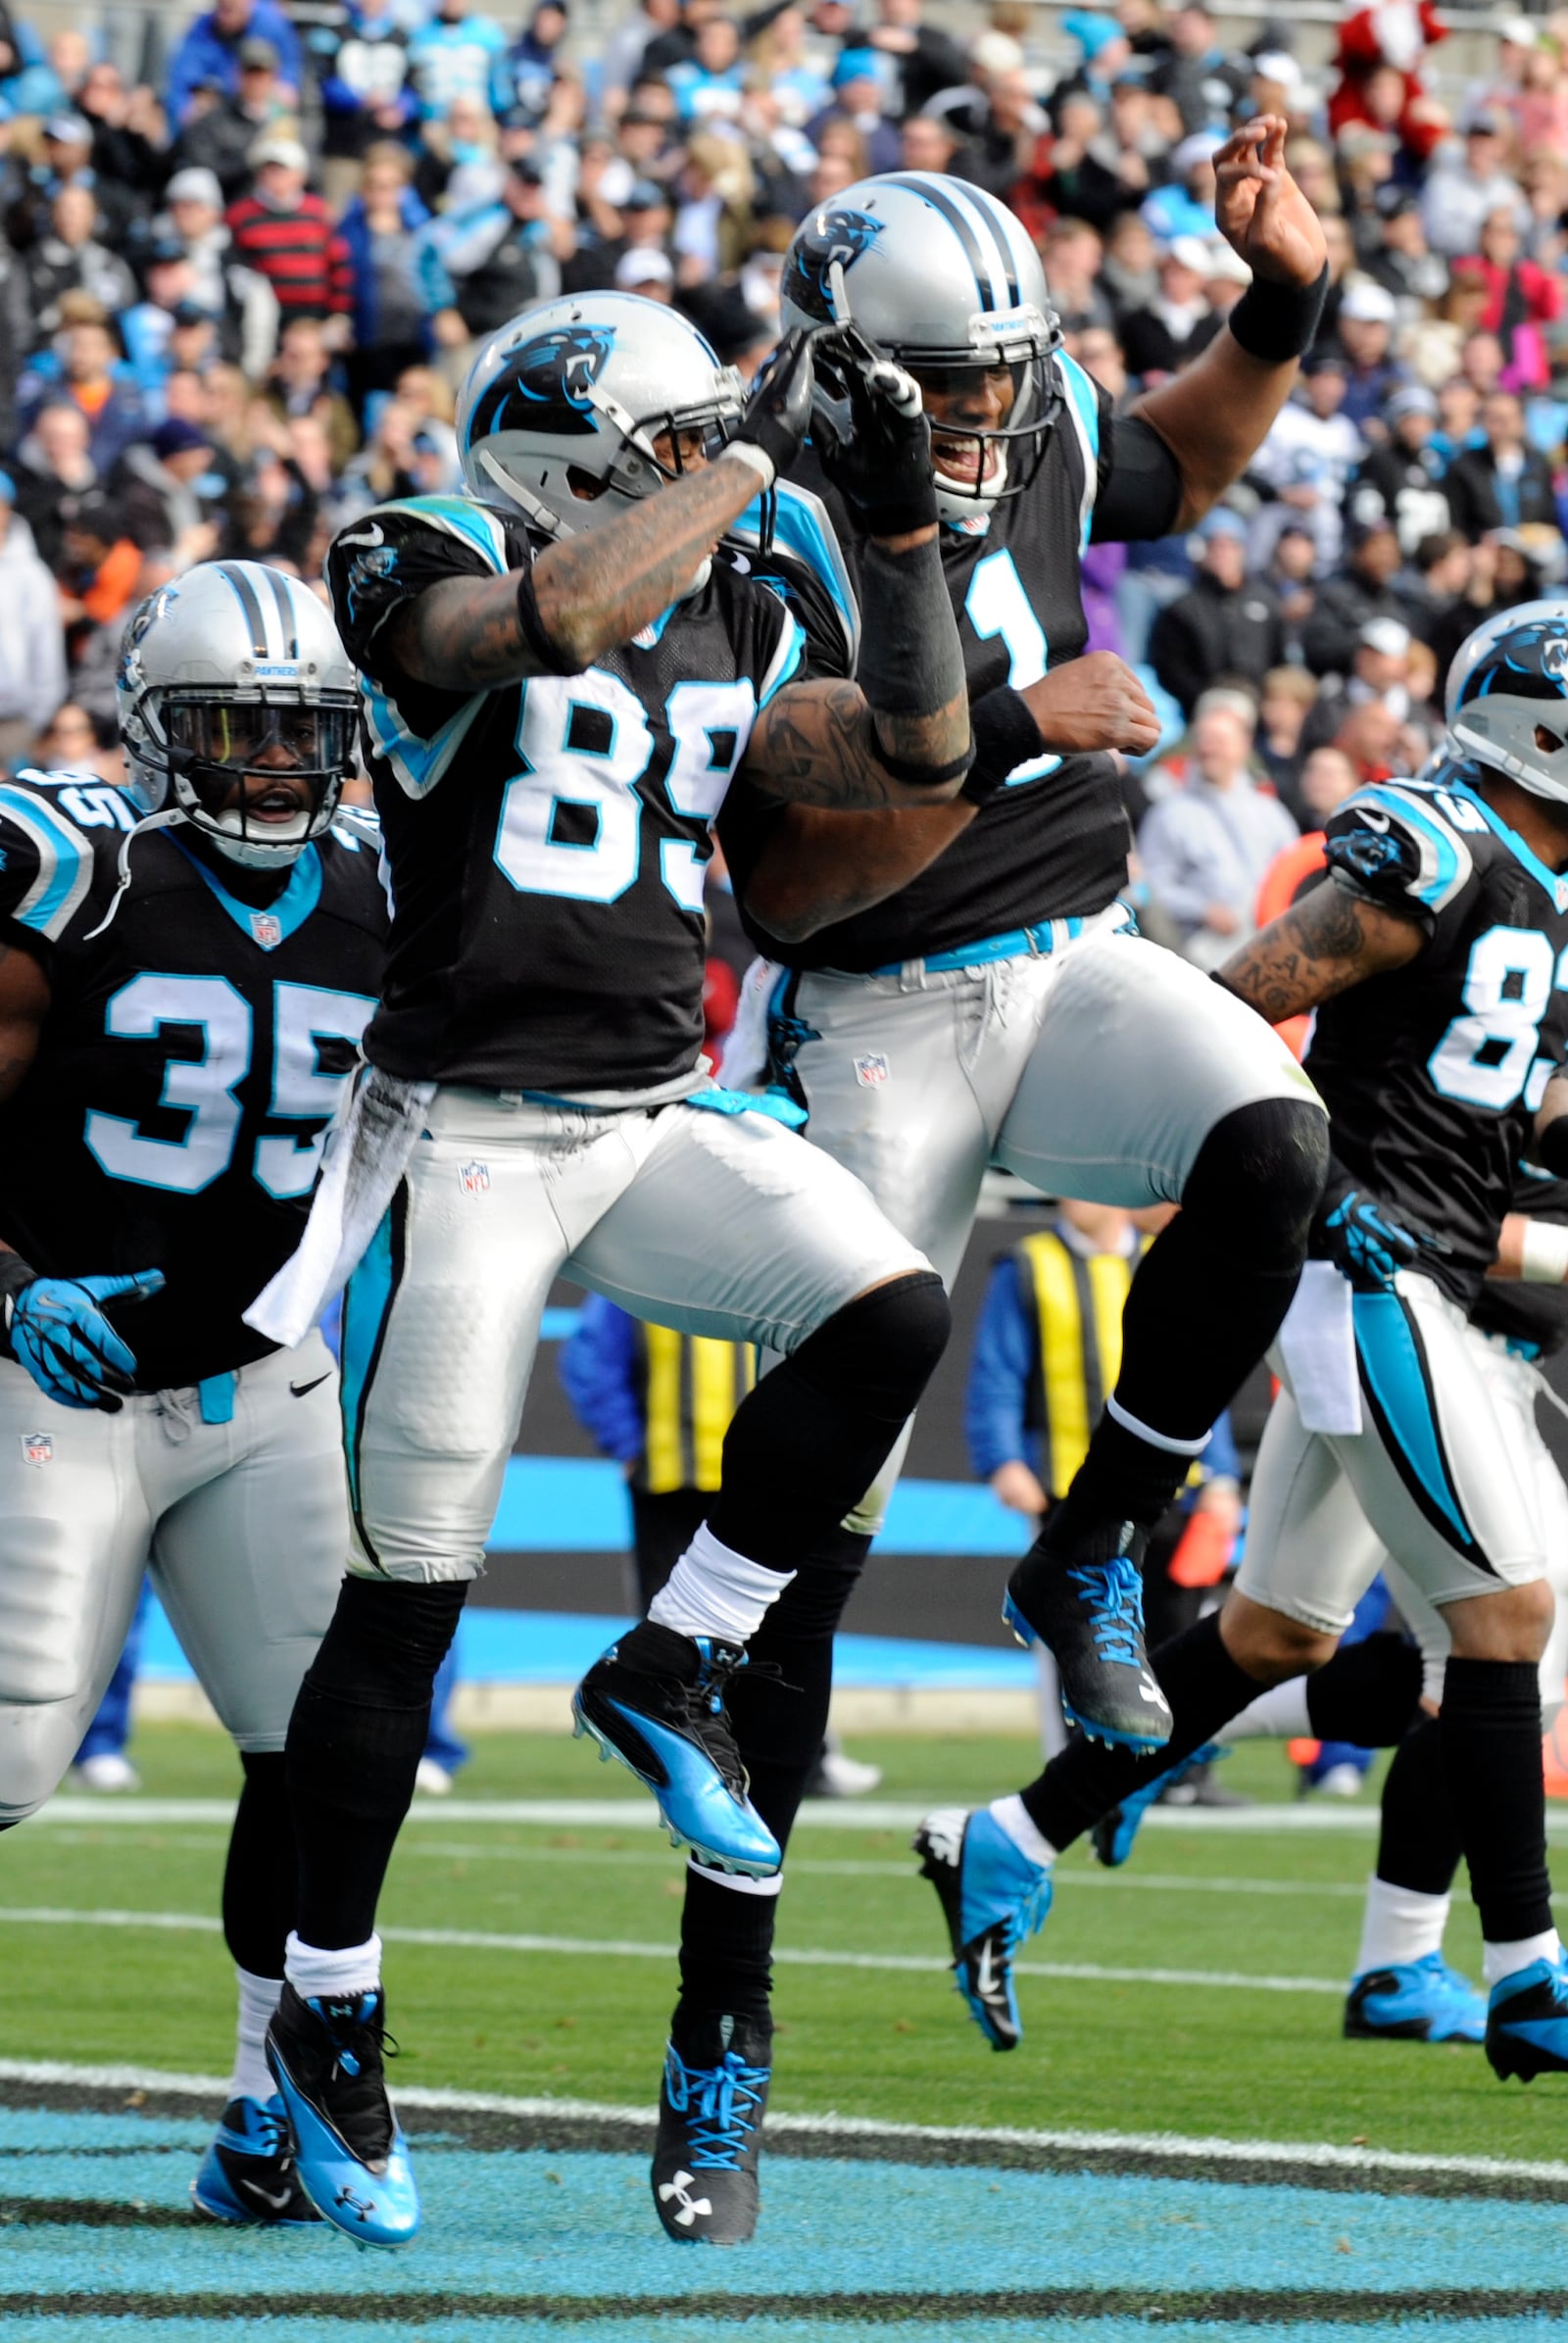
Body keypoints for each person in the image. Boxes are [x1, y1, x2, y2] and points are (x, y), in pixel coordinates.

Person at [244, 292, 973, 2250]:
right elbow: (543, 627)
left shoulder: (736, 588)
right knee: (402, 1607)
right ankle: (324, 2007)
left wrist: (897, 534)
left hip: (648, 1116)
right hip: (456, 1137)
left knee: (887, 1306)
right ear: (575, 452)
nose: (709, 477)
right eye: (666, 447)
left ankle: (676, 1644)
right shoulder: (421, 546)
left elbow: (915, 740)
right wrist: (743, 451)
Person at [678, 142, 1331, 2233]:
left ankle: (1091, 1548)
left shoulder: (1032, 405)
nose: (982, 423)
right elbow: (786, 851)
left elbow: (1162, 462)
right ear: (846, 366)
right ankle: (721, 2037)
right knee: (812, 1563)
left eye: (996, 389)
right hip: (867, 1016)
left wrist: (1279, 309)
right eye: (942, 395)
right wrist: (1005, 735)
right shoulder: (758, 482)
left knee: (1269, 1139)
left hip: (1057, 960)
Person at [915, 603, 1568, 2092]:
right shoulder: (1443, 846)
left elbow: (1504, 1108)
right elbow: (1224, 1017)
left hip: (1447, 1279)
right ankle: (1530, 1975)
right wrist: (1322, 1183)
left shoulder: (1547, 887)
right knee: (1511, 1623)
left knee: (1277, 1633)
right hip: (1379, 1279)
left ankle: (1008, 1837)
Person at [0, 562, 387, 2221]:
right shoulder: (78, 872)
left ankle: (264, 2108)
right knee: (11, 1760)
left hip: (266, 1381)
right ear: (163, 736)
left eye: (305, 734)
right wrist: (14, 1290)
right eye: (238, 731)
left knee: (308, 1757)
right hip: (57, 1376)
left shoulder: (388, 885)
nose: (279, 769)